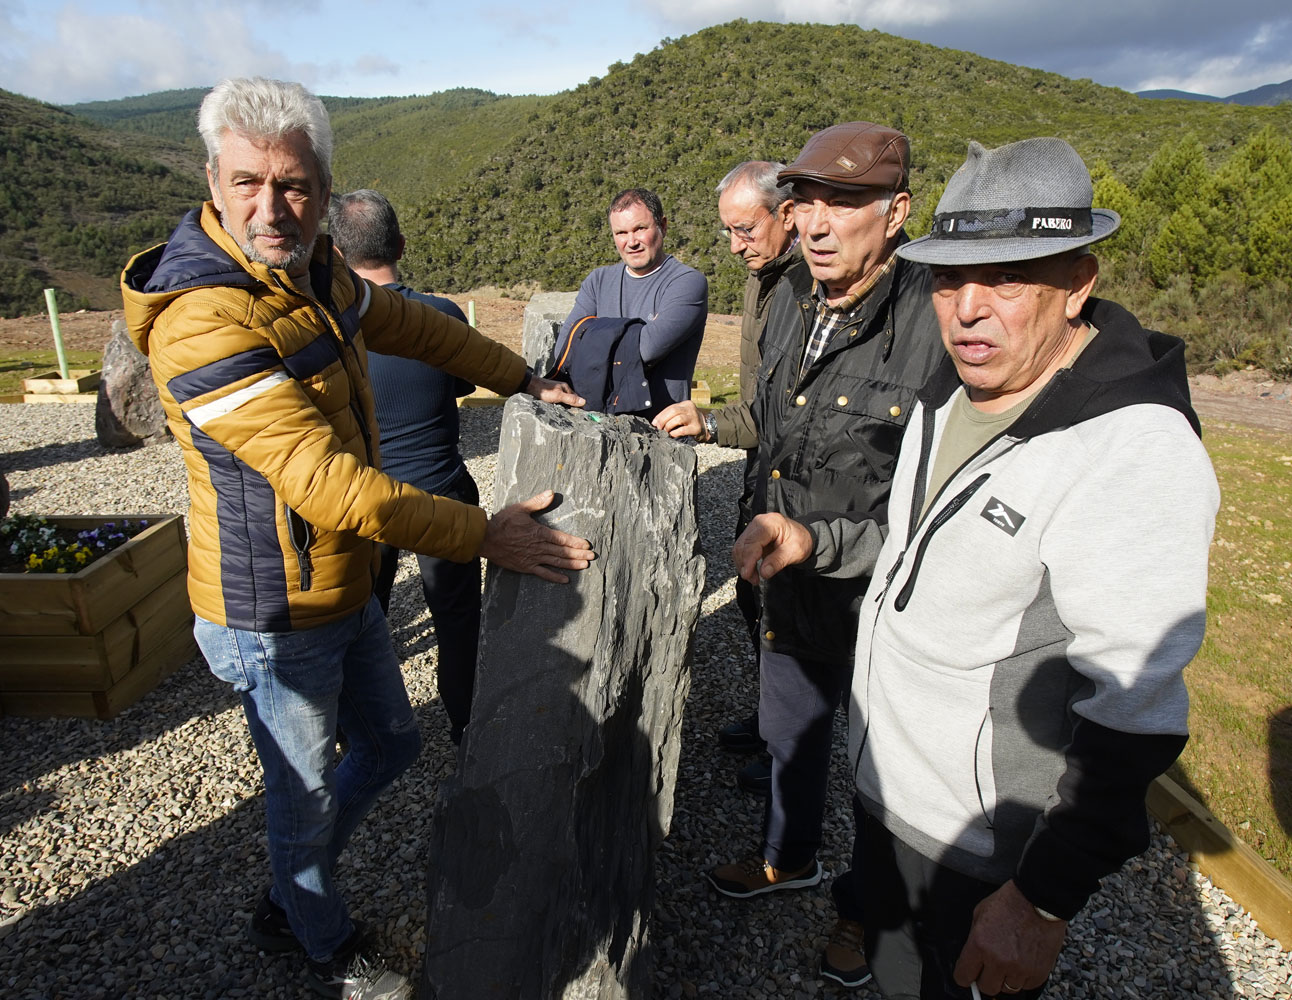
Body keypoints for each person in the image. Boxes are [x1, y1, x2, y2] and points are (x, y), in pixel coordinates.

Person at [120, 77, 594, 1000]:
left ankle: (289, 895)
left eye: (293, 185)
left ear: (325, 189)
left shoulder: (315, 272)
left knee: (391, 746)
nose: (272, 205)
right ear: (212, 179)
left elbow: (410, 322)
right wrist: (479, 534)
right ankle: (321, 939)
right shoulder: (203, 320)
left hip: (337, 582)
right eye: (249, 181)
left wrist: (518, 378)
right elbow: (324, 484)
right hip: (273, 610)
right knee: (298, 798)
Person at [733, 137, 1219, 997]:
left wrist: (1041, 900)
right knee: (892, 978)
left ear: (1078, 285)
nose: (966, 310)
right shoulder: (954, 394)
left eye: (1007, 280)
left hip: (983, 842)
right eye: (951, 279)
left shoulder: (1131, 449)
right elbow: (918, 542)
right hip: (889, 793)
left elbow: (1135, 712)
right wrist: (821, 542)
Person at [654, 122, 946, 990]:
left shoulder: (935, 319)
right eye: (806, 200)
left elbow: (942, 509)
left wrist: (827, 542)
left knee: (886, 772)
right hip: (793, 584)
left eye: (844, 202)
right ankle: (788, 857)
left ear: (896, 214)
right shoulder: (789, 303)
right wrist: (715, 425)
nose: (816, 222)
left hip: (883, 599)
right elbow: (779, 429)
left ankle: (866, 912)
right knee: (790, 733)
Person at [327, 188, 480, 747]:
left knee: (366, 618)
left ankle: (356, 732)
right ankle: (466, 725)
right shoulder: (440, 315)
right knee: (458, 621)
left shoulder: (332, 327)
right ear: (401, 244)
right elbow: (460, 383)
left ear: (339, 255)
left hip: (370, 499)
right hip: (443, 489)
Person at [710, 161, 805, 791]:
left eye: (746, 230)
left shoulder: (805, 286)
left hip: (789, 471)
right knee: (751, 594)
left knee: (786, 610)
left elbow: (784, 404)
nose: (738, 246)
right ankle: (771, 719)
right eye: (729, 234)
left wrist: (713, 424)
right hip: (759, 463)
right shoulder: (763, 273)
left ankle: (790, 751)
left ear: (786, 214)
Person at [552, 187, 707, 418]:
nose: (631, 241)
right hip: (598, 423)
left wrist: (595, 337)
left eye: (640, 229)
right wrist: (632, 336)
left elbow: (647, 349)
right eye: (621, 233)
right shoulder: (598, 281)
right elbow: (565, 349)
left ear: (662, 226)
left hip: (662, 430)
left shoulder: (687, 283)